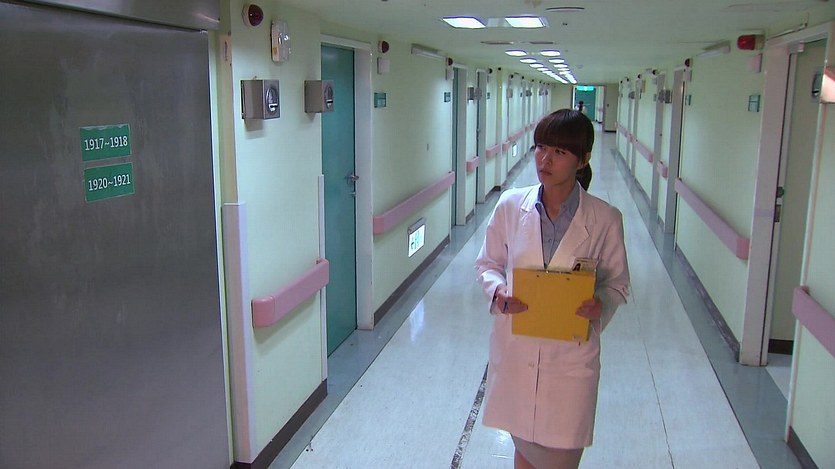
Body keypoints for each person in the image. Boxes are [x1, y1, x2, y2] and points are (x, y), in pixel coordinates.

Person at [474, 109, 630, 469]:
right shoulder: (511, 205)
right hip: (517, 353)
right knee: (524, 454)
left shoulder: (605, 219)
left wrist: (601, 304)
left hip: (570, 364)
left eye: (559, 152)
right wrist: (498, 292)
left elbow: (618, 284)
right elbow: (487, 264)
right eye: (541, 147)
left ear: (583, 160)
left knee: (559, 456)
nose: (545, 160)